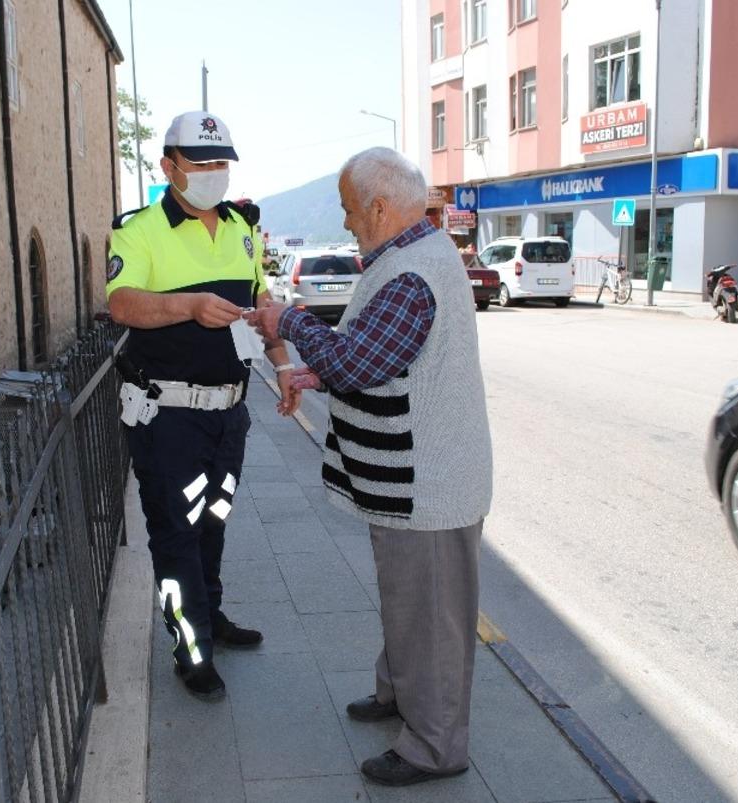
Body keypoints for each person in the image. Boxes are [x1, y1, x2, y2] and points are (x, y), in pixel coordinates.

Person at [247, 147, 493, 786]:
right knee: (408, 602)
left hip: (428, 487)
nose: (350, 222)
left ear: (382, 207)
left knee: (430, 616)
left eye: (352, 211)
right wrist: (310, 371)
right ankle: (398, 693)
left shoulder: (412, 273)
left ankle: (434, 748)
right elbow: (379, 363)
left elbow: (357, 362)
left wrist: (289, 319)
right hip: (411, 482)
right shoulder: (411, 260)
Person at [106, 111, 302, 701]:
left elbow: (262, 301)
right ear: (169, 167)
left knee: (212, 520)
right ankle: (190, 649)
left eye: (222, 163)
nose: (215, 174)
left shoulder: (242, 227)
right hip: (168, 418)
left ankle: (209, 615)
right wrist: (189, 306)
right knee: (175, 533)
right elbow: (122, 305)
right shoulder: (137, 231)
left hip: (228, 414)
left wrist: (285, 365)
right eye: (202, 163)